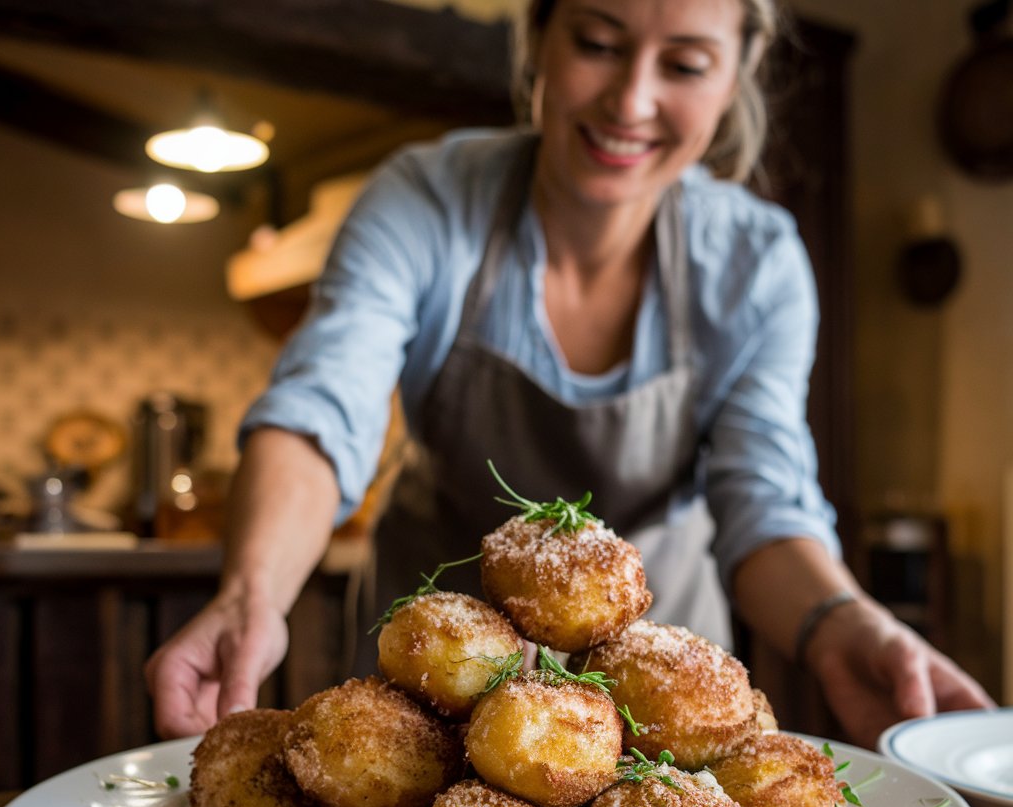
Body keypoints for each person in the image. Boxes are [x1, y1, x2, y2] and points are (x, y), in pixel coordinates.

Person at [146, 0, 994, 749]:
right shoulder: (428, 200)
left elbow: (765, 500)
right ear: (538, 41)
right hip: (425, 695)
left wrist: (840, 623)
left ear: (735, 77)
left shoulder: (755, 260)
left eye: (686, 64)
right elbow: (323, 404)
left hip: (660, 694)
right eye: (597, 40)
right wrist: (251, 594)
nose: (630, 100)